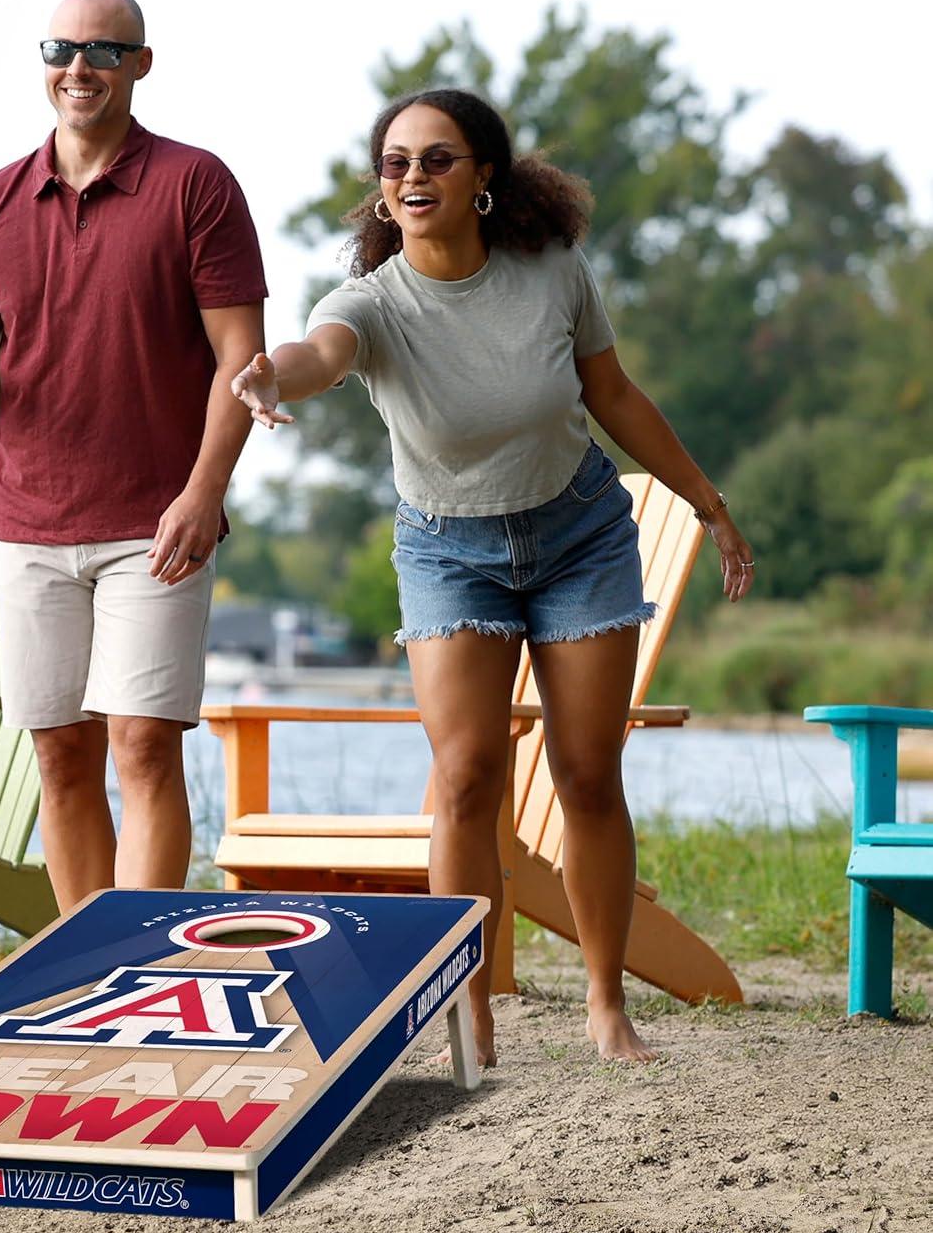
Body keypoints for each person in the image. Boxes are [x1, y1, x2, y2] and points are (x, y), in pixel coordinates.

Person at [232, 88, 754, 1063]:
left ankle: (606, 1005)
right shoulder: (370, 303)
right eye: (396, 163)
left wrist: (705, 501)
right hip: (447, 551)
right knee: (468, 775)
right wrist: (269, 376)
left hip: (579, 536)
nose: (414, 176)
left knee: (587, 774)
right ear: (381, 190)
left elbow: (612, 394)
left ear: (482, 177)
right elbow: (319, 354)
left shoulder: (552, 271)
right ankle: (467, 1011)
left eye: (437, 158)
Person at [0, 0, 266, 913]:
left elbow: (241, 360)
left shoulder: (196, 185)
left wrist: (204, 491)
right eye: (61, 49)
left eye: (104, 51)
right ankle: (92, 965)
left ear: (142, 64)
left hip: (157, 524)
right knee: (59, 754)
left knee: (144, 744)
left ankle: (142, 963)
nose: (79, 68)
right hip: (28, 525)